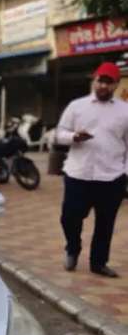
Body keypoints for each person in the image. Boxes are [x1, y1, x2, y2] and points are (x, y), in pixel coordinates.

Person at [55, 61, 128, 277]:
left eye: (109, 82)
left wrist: (125, 173)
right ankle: (72, 249)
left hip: (111, 176)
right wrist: (74, 137)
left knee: (105, 223)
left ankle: (98, 263)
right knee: (69, 217)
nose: (103, 86)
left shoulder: (125, 110)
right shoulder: (76, 106)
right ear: (94, 80)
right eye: (100, 81)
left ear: (116, 84)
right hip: (78, 173)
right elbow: (59, 133)